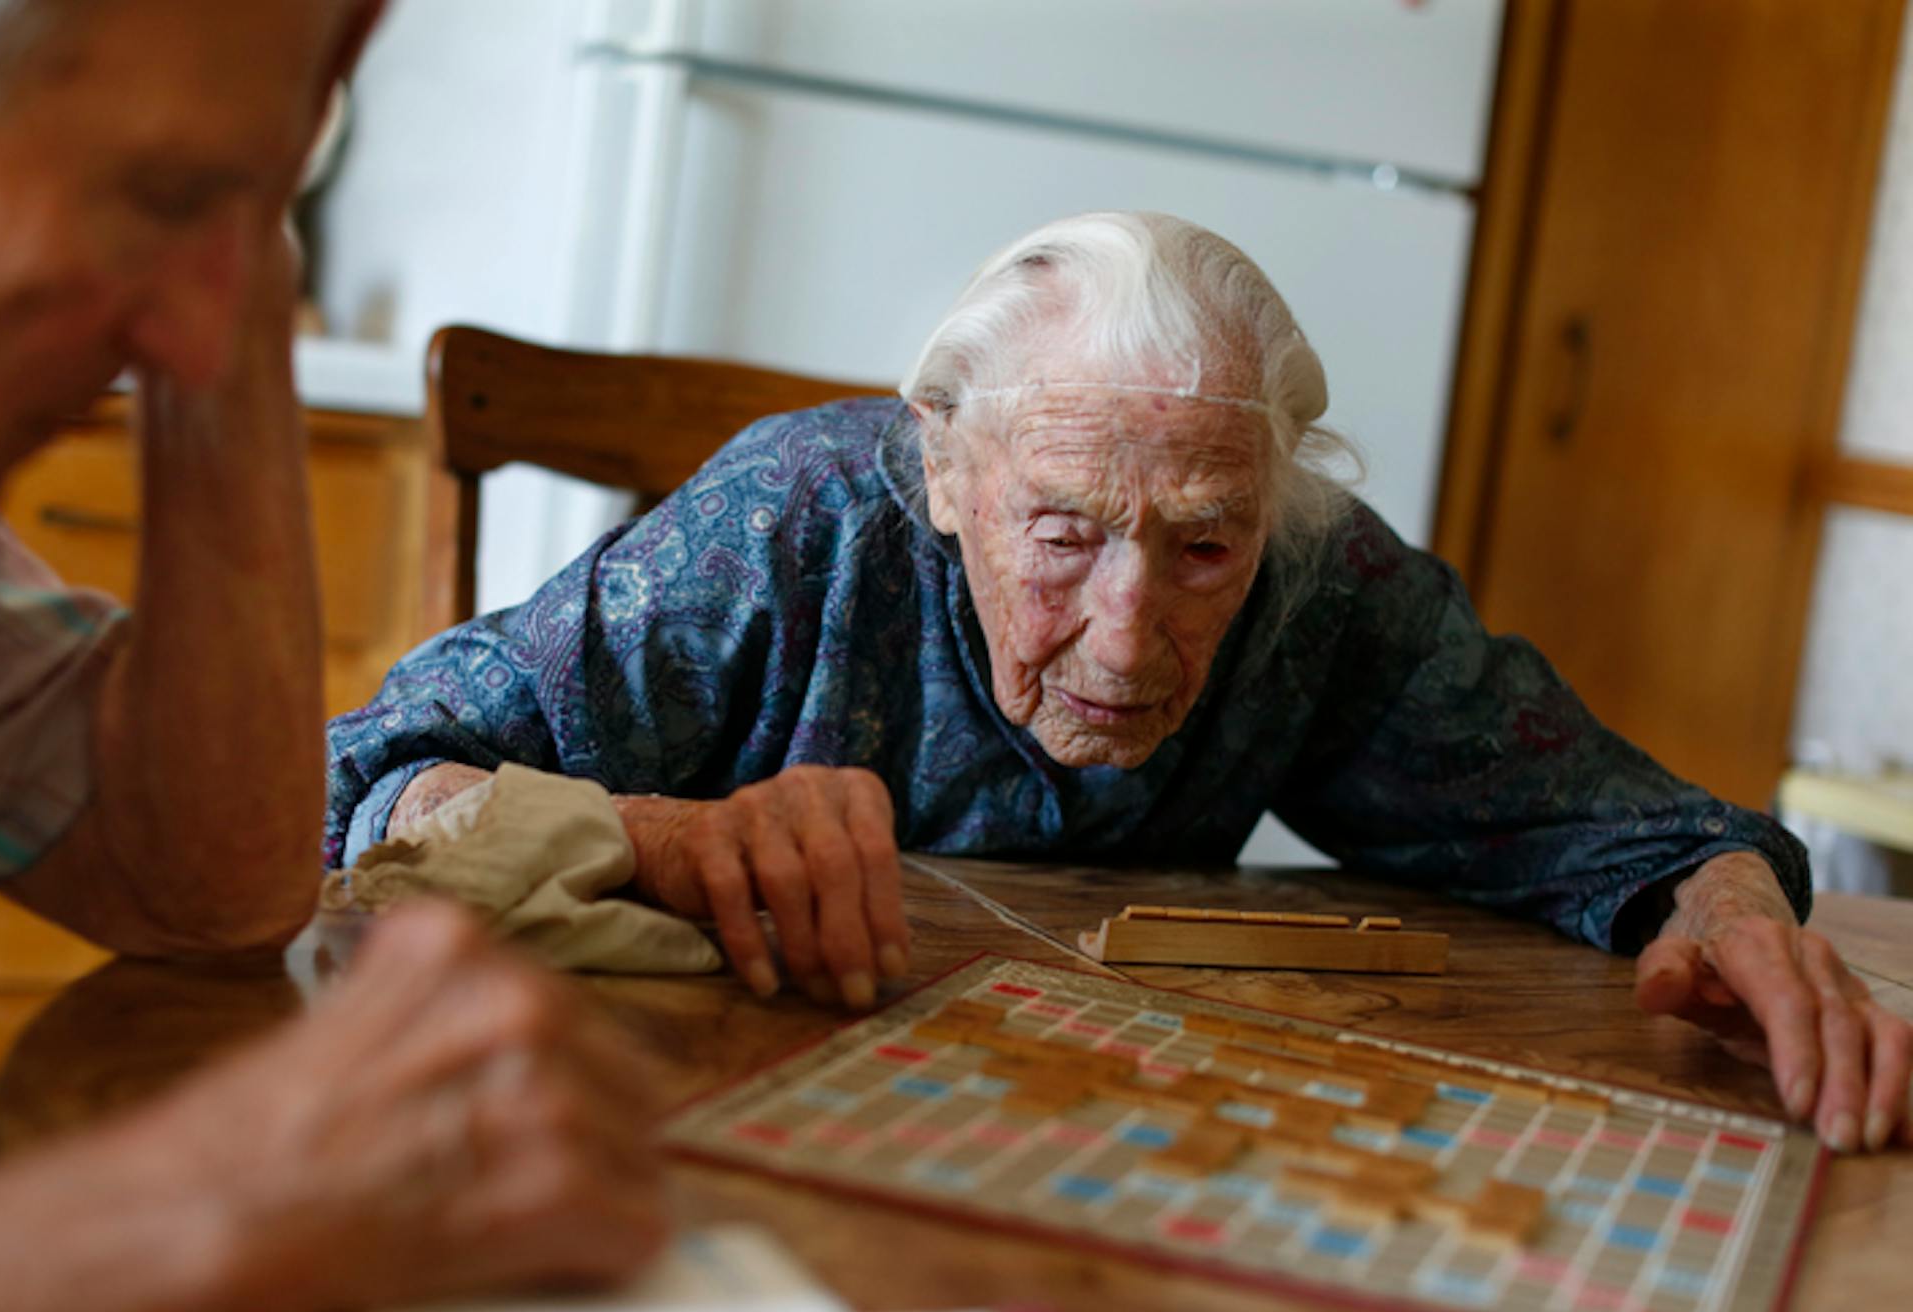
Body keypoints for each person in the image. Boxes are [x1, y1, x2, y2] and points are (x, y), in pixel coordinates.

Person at [328, 210, 1912, 1156]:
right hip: (676, 1125)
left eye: (1206, 546)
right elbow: (377, 777)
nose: (1131, 635)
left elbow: (1615, 825)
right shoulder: (789, 524)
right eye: (1066, 532)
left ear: (1275, 509)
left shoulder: (1324, 582)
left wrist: (1730, 912)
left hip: (1077, 1130)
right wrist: (657, 835)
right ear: (945, 471)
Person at [0, 3, 664, 1312]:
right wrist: (183, 1211)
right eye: (158, 194)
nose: (188, 334)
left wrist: (233, 245)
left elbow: (205, 883)